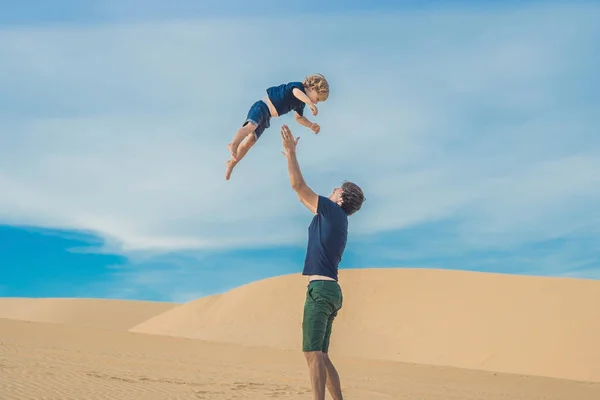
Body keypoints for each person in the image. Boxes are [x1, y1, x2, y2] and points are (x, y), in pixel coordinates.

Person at [280, 124, 365, 400]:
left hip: (320, 291)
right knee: (322, 355)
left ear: (340, 198)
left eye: (336, 188)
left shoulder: (331, 211)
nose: (332, 189)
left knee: (311, 352)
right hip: (331, 290)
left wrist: (292, 152)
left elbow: (298, 186)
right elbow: (299, 193)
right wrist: (290, 160)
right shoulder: (336, 219)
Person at [225, 74, 329, 180]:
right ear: (312, 88)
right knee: (250, 127)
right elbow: (296, 92)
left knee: (250, 141)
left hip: (266, 116)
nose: (316, 102)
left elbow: (299, 118)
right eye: (317, 98)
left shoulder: (301, 104)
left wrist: (311, 125)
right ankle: (233, 143)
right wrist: (310, 103)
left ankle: (232, 163)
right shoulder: (298, 87)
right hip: (261, 107)